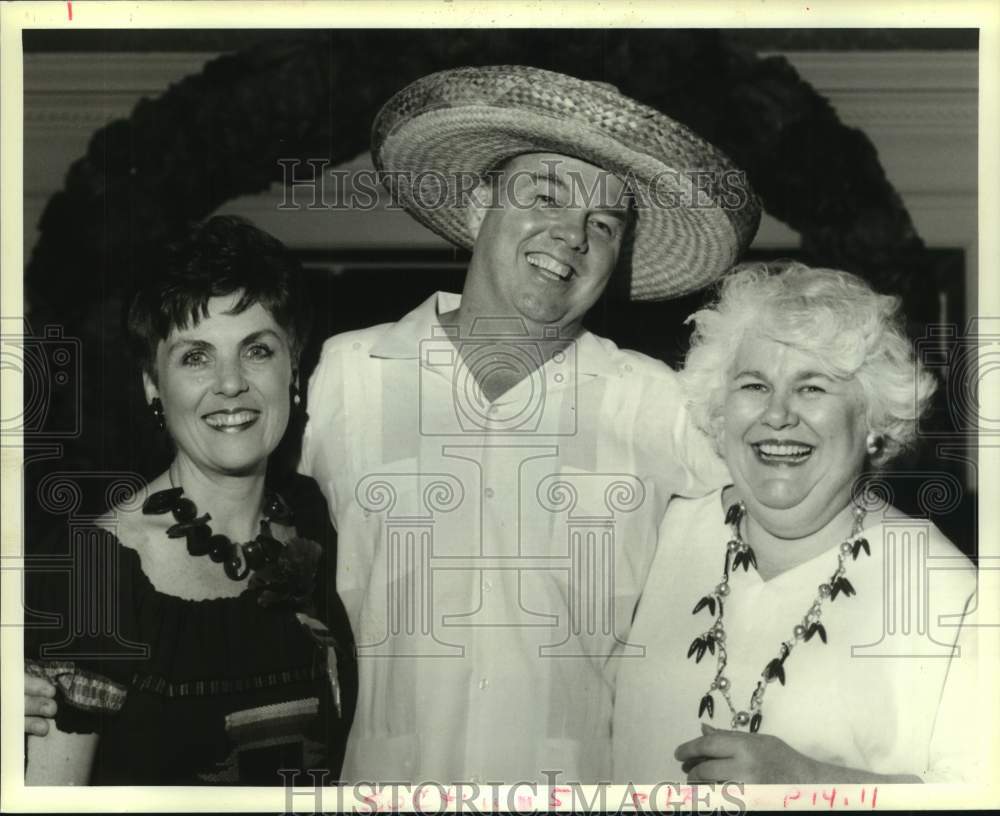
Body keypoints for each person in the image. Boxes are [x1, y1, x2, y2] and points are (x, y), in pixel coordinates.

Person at [298, 65, 760, 782]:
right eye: (545, 196)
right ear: (481, 207)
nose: (572, 236)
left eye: (604, 225)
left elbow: (794, 518)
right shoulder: (346, 375)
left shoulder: (657, 401)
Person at [613, 262, 979, 783]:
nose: (778, 415)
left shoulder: (941, 587)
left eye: (813, 389)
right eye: (754, 386)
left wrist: (806, 781)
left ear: (874, 423)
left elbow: (980, 793)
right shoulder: (659, 533)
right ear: (720, 413)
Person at [24, 215, 354, 785]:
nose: (230, 384)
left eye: (257, 350)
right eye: (195, 356)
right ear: (153, 384)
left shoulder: (317, 524)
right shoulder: (92, 573)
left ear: (294, 368)